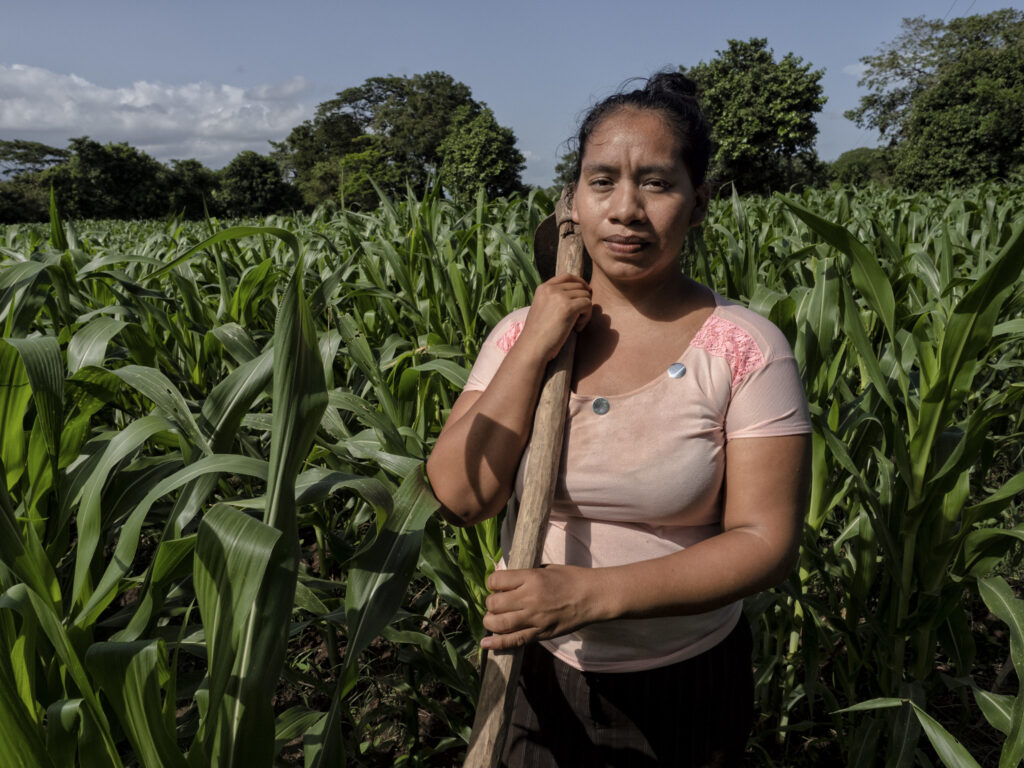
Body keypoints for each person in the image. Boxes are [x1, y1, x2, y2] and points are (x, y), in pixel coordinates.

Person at [426, 72, 811, 767]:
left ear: (699, 205)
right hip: (531, 670)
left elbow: (766, 540)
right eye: (602, 181)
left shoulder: (745, 348)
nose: (626, 209)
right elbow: (464, 495)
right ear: (572, 202)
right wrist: (536, 344)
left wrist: (590, 596)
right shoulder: (521, 334)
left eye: (657, 183)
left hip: (686, 680)